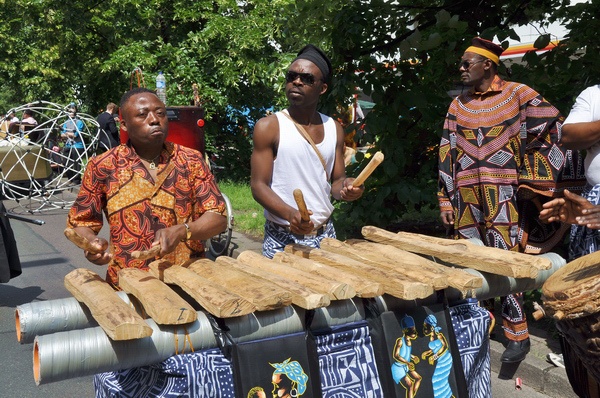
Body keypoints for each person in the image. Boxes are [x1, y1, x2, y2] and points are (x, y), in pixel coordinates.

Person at [437, 37, 584, 364]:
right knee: (469, 259)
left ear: (486, 64)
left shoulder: (518, 94)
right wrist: (444, 199)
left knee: (507, 261)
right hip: (465, 198)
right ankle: (476, 325)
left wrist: (533, 179)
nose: (461, 69)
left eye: (466, 63)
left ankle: (518, 335)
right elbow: (446, 151)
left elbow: (553, 129)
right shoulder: (457, 105)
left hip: (505, 196)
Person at [66, 87, 227, 288]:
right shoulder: (103, 166)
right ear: (123, 125)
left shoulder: (191, 160)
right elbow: (82, 221)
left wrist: (184, 230)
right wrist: (91, 243)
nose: (154, 119)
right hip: (129, 283)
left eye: (160, 113)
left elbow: (218, 218)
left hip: (188, 282)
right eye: (142, 115)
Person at [250, 44, 364, 258]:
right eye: (291, 76)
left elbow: (337, 183)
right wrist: (290, 214)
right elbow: (258, 186)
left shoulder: (334, 128)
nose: (297, 81)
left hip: (325, 235)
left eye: (307, 78)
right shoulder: (269, 127)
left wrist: (350, 189)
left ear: (322, 88)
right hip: (281, 238)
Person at [61, 106, 86, 184]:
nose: (71, 113)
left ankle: (76, 180)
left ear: (75, 112)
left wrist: (67, 134)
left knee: (76, 163)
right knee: (65, 162)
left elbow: (76, 135)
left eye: (72, 111)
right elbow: (62, 135)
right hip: (68, 145)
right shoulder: (66, 122)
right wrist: (69, 134)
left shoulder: (79, 122)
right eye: (69, 111)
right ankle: (70, 178)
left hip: (77, 146)